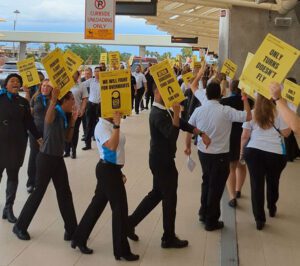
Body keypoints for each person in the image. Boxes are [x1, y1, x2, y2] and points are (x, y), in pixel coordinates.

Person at [127, 86, 211, 248]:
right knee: (169, 198)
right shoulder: (157, 114)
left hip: (161, 160)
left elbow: (181, 124)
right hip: (162, 162)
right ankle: (168, 237)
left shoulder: (164, 110)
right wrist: (177, 112)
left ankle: (130, 222)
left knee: (156, 194)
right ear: (157, 93)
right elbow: (172, 136)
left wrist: (198, 132)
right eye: (165, 92)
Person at [186, 72, 251, 231]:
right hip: (221, 155)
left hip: (202, 152)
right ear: (221, 94)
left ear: (206, 94)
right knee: (216, 187)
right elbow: (248, 116)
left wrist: (187, 146)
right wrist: (244, 99)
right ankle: (211, 221)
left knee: (206, 181)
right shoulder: (226, 110)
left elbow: (189, 129)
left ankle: (203, 212)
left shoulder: (199, 110)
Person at [71, 112, 139, 261]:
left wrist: (118, 171)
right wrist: (117, 124)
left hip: (111, 170)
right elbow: (112, 147)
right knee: (120, 209)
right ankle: (121, 250)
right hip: (107, 171)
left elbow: (116, 151)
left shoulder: (108, 124)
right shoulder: (102, 126)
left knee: (96, 206)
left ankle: (78, 238)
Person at [13, 87, 78, 241]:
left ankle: (71, 230)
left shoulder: (64, 116)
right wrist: (54, 99)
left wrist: (73, 121)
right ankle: (19, 226)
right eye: (72, 100)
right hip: (46, 158)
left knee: (65, 193)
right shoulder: (54, 110)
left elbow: (68, 139)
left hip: (57, 158)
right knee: (38, 193)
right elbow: (48, 121)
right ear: (65, 101)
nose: (74, 102)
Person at [241, 93, 291, 230]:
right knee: (273, 181)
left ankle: (259, 219)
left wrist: (241, 153)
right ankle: (272, 206)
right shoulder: (279, 113)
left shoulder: (251, 113)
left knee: (256, 185)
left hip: (253, 151)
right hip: (275, 154)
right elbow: (287, 133)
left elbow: (245, 136)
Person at [0, 74, 42, 223]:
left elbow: (29, 123)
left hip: (17, 144)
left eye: (18, 81)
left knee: (13, 176)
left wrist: (38, 137)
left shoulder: (23, 102)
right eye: (12, 81)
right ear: (6, 85)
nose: (15, 83)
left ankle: (8, 208)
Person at [220, 80, 252, 207]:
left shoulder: (224, 102)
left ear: (231, 89)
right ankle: (238, 190)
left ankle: (232, 197)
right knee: (242, 165)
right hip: (246, 136)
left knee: (231, 167)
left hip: (231, 137)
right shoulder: (250, 103)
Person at [26, 79, 52, 194]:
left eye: (47, 86)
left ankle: (41, 180)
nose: (45, 88)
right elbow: (29, 114)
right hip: (35, 132)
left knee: (46, 156)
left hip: (49, 132)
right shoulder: (35, 98)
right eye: (43, 86)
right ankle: (31, 182)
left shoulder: (54, 100)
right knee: (34, 155)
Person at [64, 71, 88, 158]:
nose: (72, 74)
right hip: (65, 112)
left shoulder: (81, 85)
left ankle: (73, 150)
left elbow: (85, 98)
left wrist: (82, 109)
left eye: (74, 73)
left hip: (76, 112)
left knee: (75, 131)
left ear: (78, 75)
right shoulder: (65, 84)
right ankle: (66, 150)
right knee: (65, 130)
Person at [82, 67, 101, 150]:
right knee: (88, 124)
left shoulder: (105, 81)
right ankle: (87, 144)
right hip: (90, 105)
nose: (96, 73)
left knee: (100, 125)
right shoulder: (91, 81)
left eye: (98, 71)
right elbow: (81, 85)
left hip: (100, 106)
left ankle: (101, 142)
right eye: (95, 71)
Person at [81, 67, 93, 140]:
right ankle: (86, 134)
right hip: (83, 103)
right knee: (84, 120)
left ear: (91, 73)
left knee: (91, 120)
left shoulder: (93, 80)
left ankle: (91, 134)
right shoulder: (82, 80)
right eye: (85, 73)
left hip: (91, 103)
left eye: (88, 74)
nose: (87, 75)